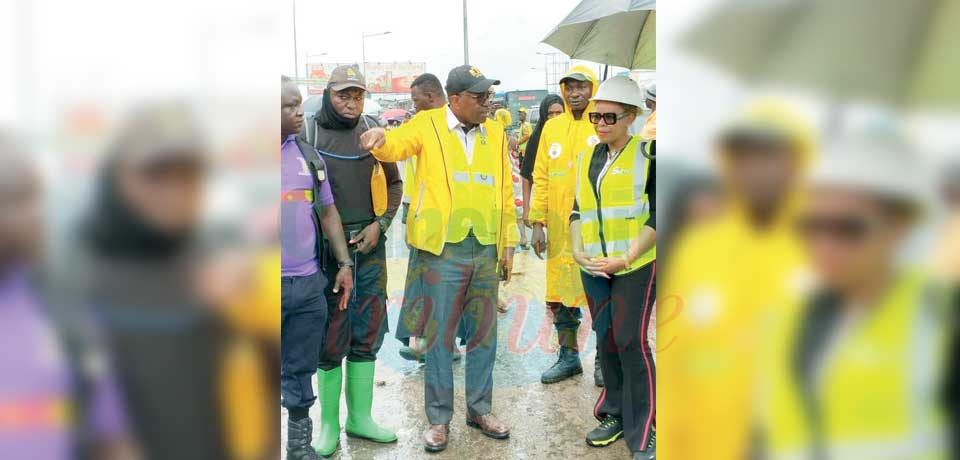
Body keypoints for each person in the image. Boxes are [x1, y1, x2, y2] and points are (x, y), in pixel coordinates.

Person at [360, 64, 518, 453]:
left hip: (484, 246)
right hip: (442, 249)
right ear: (457, 98)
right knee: (439, 337)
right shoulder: (427, 124)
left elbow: (504, 189)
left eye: (489, 96)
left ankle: (480, 409)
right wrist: (380, 139)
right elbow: (397, 145)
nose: (487, 102)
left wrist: (509, 243)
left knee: (483, 334)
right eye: (480, 97)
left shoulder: (495, 133)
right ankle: (439, 419)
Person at [761, 136, 948, 459]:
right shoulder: (787, 320)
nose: (825, 245)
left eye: (848, 228)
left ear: (899, 225)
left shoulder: (941, 319)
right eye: (813, 226)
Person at [659, 101, 815, 460]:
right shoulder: (698, 251)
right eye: (745, 157)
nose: (757, 170)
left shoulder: (828, 247)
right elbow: (678, 370)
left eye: (772, 155)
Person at [0, 130, 139, 460]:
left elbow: (112, 435)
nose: (34, 215)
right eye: (13, 199)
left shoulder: (64, 308)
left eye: (34, 198)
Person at [308, 65, 402, 456]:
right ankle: (328, 423)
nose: (350, 103)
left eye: (357, 95)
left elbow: (395, 184)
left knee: (368, 328)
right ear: (328, 93)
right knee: (331, 334)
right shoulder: (308, 132)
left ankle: (359, 418)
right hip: (329, 250)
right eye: (343, 94)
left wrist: (381, 225)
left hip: (371, 246)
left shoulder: (372, 130)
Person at [568, 76, 656, 459]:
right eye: (595, 117)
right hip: (595, 269)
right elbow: (576, 210)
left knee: (630, 341)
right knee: (605, 339)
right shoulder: (588, 157)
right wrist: (577, 250)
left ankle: (645, 424)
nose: (601, 124)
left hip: (635, 265)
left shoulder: (651, 154)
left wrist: (627, 256)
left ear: (631, 116)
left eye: (609, 117)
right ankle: (615, 412)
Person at [280, 76, 354, 460]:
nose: (298, 114)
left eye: (298, 106)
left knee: (300, 369)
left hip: (308, 287)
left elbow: (328, 213)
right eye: (289, 107)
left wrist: (343, 264)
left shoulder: (308, 157)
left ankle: (298, 447)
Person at [528, 66, 597, 385]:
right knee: (560, 298)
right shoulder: (552, 128)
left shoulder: (603, 122)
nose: (575, 93)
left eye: (581, 86)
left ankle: (603, 362)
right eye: (569, 87)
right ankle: (569, 357)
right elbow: (540, 175)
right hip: (558, 228)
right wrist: (538, 223)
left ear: (592, 88)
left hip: (596, 230)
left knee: (599, 295)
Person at [398, 72, 457, 364]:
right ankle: (426, 340)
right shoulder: (420, 126)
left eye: (416, 99)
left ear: (431, 97)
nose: (414, 105)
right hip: (422, 217)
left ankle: (443, 343)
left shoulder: (454, 129)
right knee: (425, 282)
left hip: (447, 223)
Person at [520, 94, 565, 227]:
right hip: (545, 204)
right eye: (550, 113)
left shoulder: (571, 135)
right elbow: (526, 176)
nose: (555, 117)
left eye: (559, 113)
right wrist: (526, 210)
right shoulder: (536, 139)